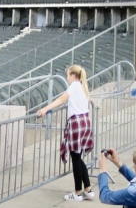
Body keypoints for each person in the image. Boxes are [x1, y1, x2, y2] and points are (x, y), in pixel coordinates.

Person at [38, 65, 95, 202]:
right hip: (85, 121)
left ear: (73, 76)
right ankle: (88, 189)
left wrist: (45, 108)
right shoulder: (83, 87)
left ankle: (78, 193)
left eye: (68, 75)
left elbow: (61, 99)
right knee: (78, 156)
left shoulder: (75, 85)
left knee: (75, 158)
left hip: (76, 122)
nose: (67, 78)